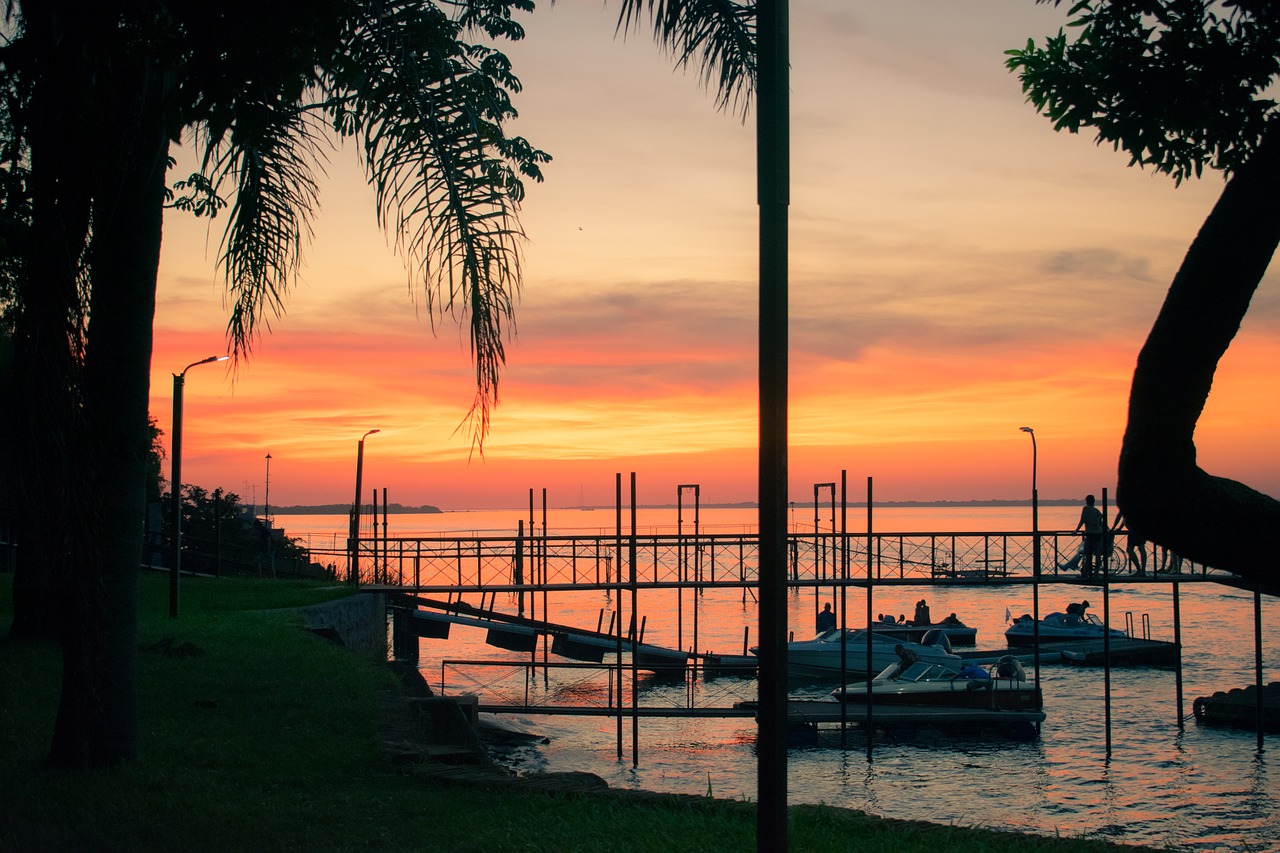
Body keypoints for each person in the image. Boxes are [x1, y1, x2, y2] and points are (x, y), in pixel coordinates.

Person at [1073, 494, 1105, 579]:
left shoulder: (1086, 509)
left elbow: (1082, 520)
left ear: (1086, 501)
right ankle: (1096, 574)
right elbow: (1100, 522)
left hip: (1090, 534)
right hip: (1098, 534)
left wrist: (1076, 530)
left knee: (1088, 555)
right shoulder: (1097, 511)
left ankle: (1085, 573)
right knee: (1097, 555)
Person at [1113, 512, 1147, 576]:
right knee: (1141, 548)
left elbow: (1119, 516)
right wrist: (1120, 528)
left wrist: (1113, 528)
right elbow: (1125, 519)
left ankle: (1140, 570)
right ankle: (1142, 570)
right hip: (1140, 529)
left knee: (1130, 549)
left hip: (1134, 530)